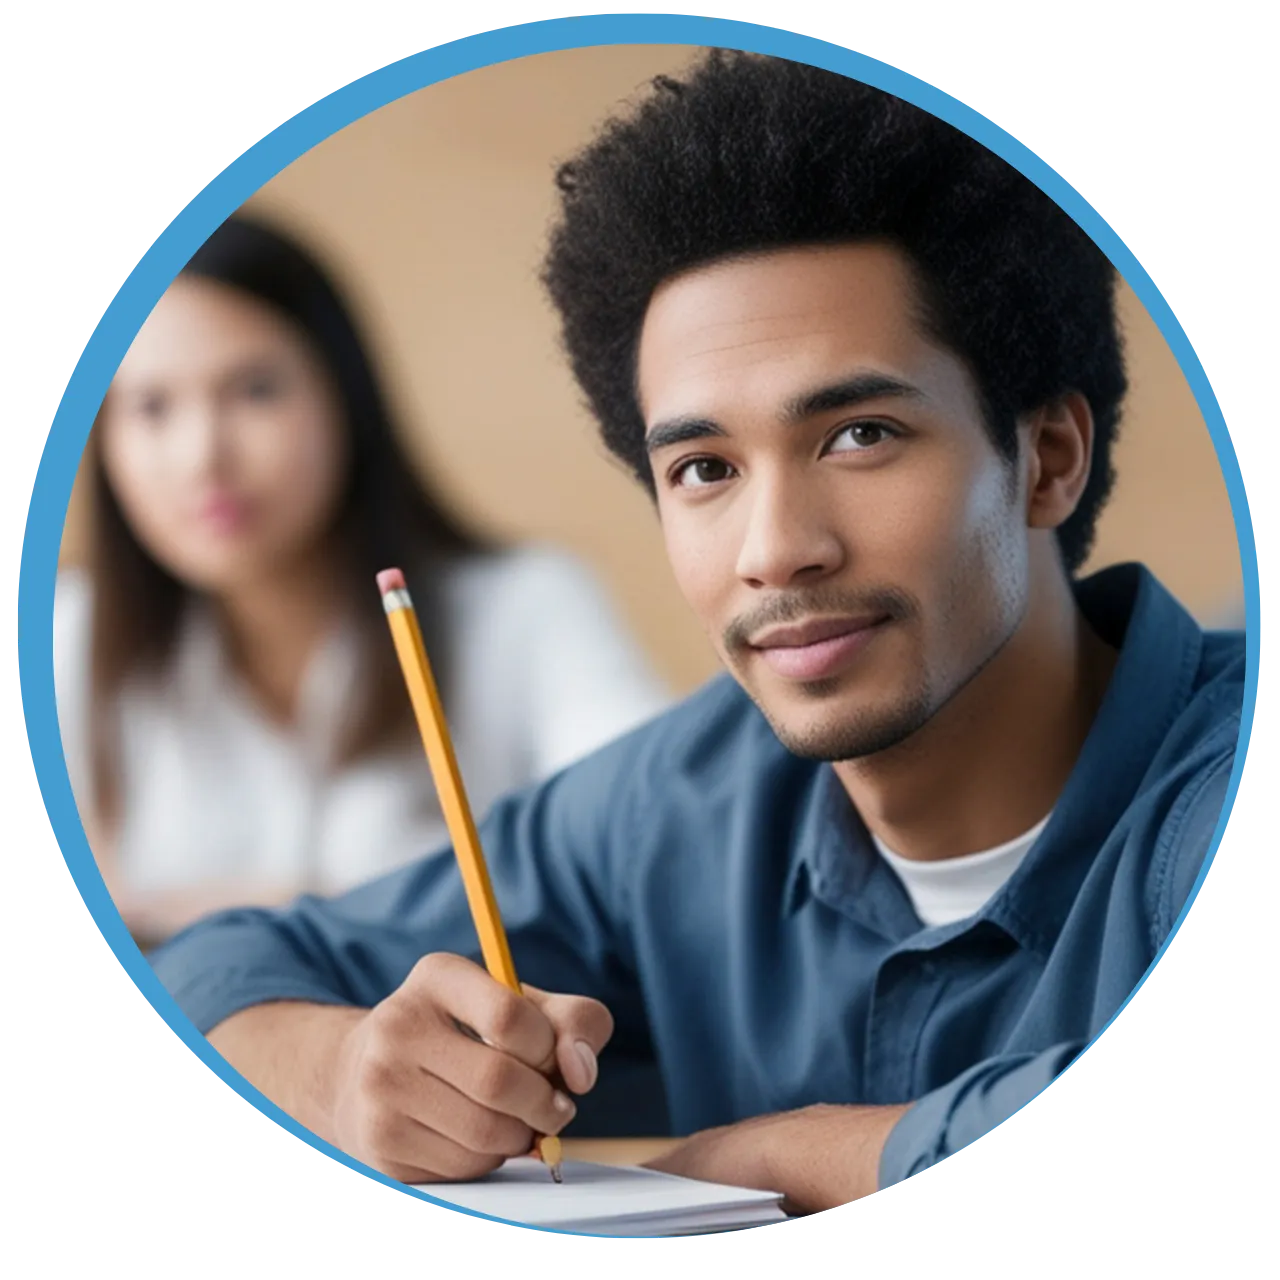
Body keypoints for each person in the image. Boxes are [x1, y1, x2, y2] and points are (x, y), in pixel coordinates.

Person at [146, 52, 1244, 1213]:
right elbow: (214, 970)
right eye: (704, 467)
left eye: (859, 435)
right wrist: (348, 1072)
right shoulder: (678, 801)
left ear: (1046, 459)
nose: (774, 546)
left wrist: (781, 1158)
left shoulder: (1208, 779)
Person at [55, 215, 671, 945]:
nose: (201, 457)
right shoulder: (68, 637)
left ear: (343, 396)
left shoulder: (527, 608)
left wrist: (279, 910)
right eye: (151, 408)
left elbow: (650, 844)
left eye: (254, 390)